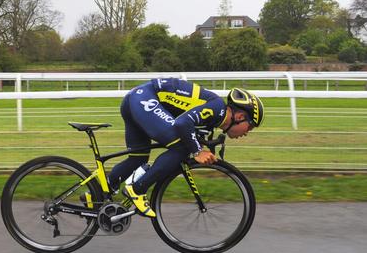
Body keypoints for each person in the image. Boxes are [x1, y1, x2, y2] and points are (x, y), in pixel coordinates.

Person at [108, 77, 265, 217]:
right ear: (240, 117)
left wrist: (202, 146)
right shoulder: (217, 108)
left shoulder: (215, 117)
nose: (246, 133)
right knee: (182, 148)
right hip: (144, 98)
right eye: (249, 127)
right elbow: (183, 123)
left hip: (136, 98)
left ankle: (99, 192)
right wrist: (196, 151)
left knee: (138, 159)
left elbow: (191, 130)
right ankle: (137, 190)